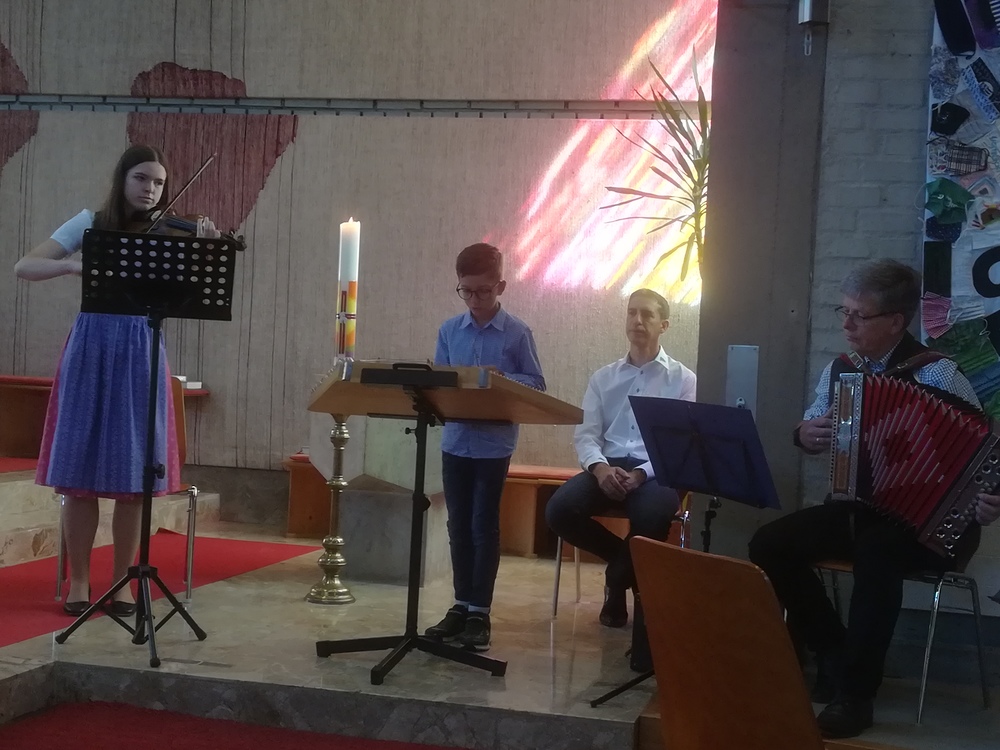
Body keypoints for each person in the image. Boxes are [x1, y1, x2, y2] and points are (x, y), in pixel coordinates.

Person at [747, 259, 1000, 739]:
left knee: (877, 549)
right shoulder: (843, 371)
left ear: (895, 322)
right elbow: (811, 423)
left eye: (858, 316)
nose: (846, 325)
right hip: (859, 510)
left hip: (932, 527)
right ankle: (833, 650)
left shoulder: (939, 374)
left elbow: (986, 452)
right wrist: (804, 433)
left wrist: (991, 499)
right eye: (843, 311)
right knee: (769, 543)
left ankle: (855, 695)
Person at [14, 144, 219, 617]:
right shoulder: (90, 222)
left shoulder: (170, 231)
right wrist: (71, 263)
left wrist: (206, 250)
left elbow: (191, 295)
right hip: (91, 347)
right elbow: (25, 267)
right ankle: (79, 581)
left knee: (134, 476)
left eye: (159, 183)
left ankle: (123, 583)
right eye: (141, 178)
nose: (151, 189)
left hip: (140, 348)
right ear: (122, 179)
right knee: (78, 476)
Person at [545, 288, 696, 629]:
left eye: (647, 314)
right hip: (607, 465)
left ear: (664, 325)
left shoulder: (683, 380)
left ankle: (617, 583)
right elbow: (587, 435)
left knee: (653, 514)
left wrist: (641, 474)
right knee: (559, 511)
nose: (637, 320)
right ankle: (623, 565)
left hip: (654, 471)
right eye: (632, 312)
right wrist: (600, 469)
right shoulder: (603, 378)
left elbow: (679, 445)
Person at [424, 242, 545, 652]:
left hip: (494, 444)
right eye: (466, 291)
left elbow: (536, 382)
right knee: (457, 525)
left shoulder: (517, 332)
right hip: (456, 440)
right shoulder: (449, 330)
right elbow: (439, 382)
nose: (475, 300)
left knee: (482, 525)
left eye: (483, 291)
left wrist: (501, 378)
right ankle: (460, 605)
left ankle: (480, 611)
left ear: (501, 287)